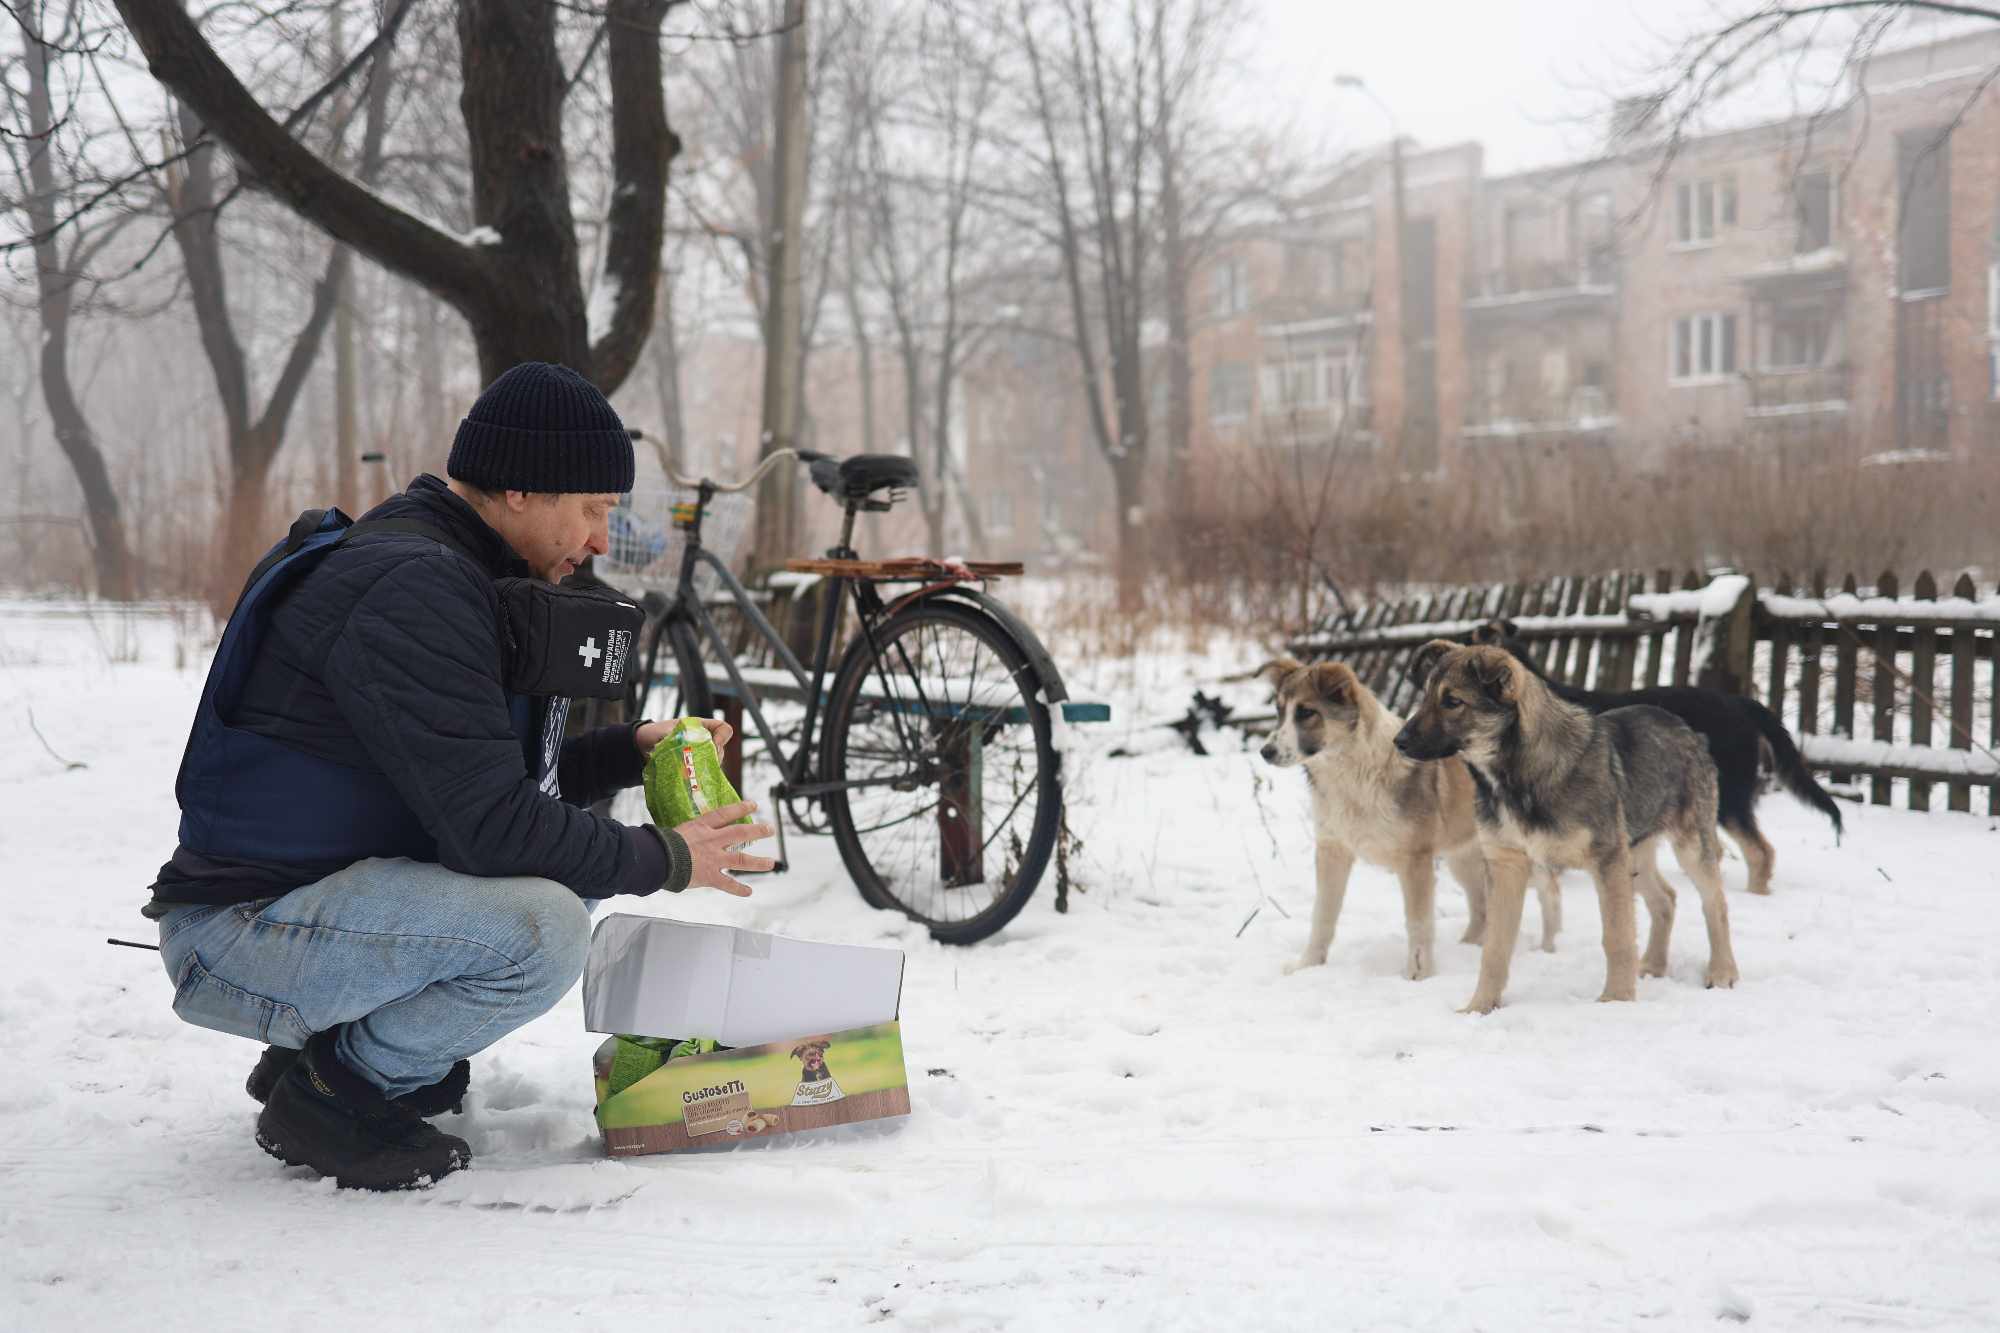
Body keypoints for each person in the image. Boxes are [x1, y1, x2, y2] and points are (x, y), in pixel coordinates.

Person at [143, 361, 775, 1191]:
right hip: (240, 931)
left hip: (304, 907)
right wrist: (668, 857)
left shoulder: (457, 570)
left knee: (563, 873)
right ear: (521, 490)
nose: (599, 540)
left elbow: (476, 782)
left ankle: (335, 1055)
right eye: (593, 510)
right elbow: (492, 826)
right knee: (547, 925)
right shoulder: (412, 586)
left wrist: (629, 748)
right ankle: (335, 1094)